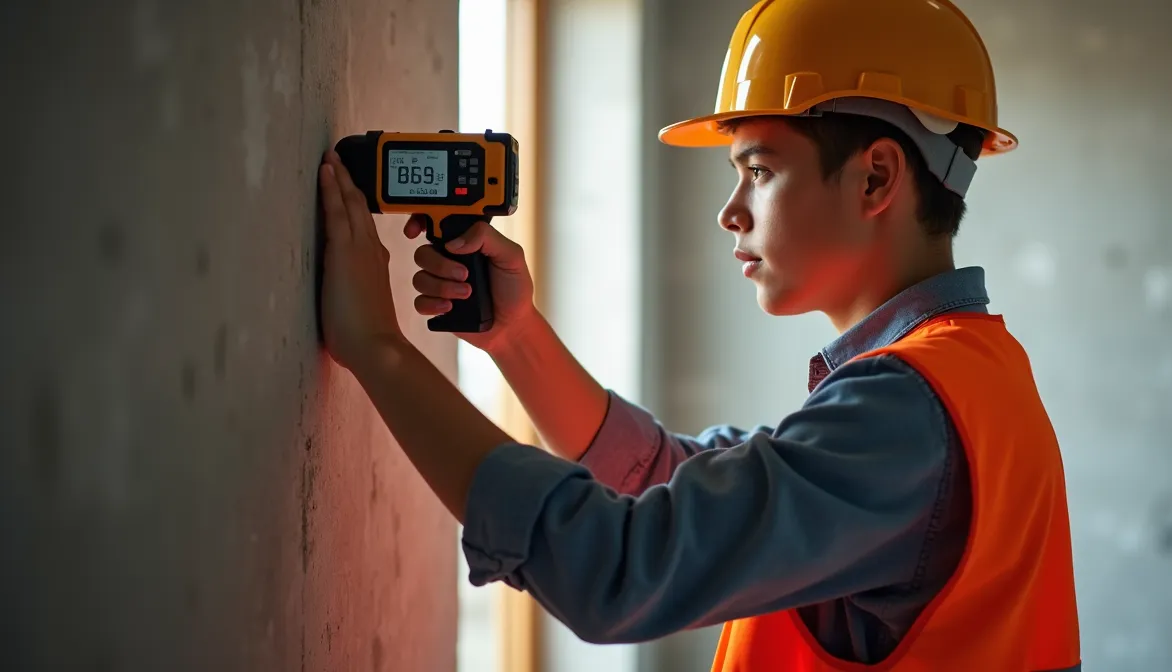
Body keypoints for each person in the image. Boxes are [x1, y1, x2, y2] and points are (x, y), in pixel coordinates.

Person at [315, 0, 1081, 669]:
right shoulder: (970, 374)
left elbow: (616, 569)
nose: (731, 211)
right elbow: (670, 478)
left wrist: (379, 352)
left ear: (876, 178)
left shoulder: (903, 412)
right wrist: (515, 337)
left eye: (759, 169)